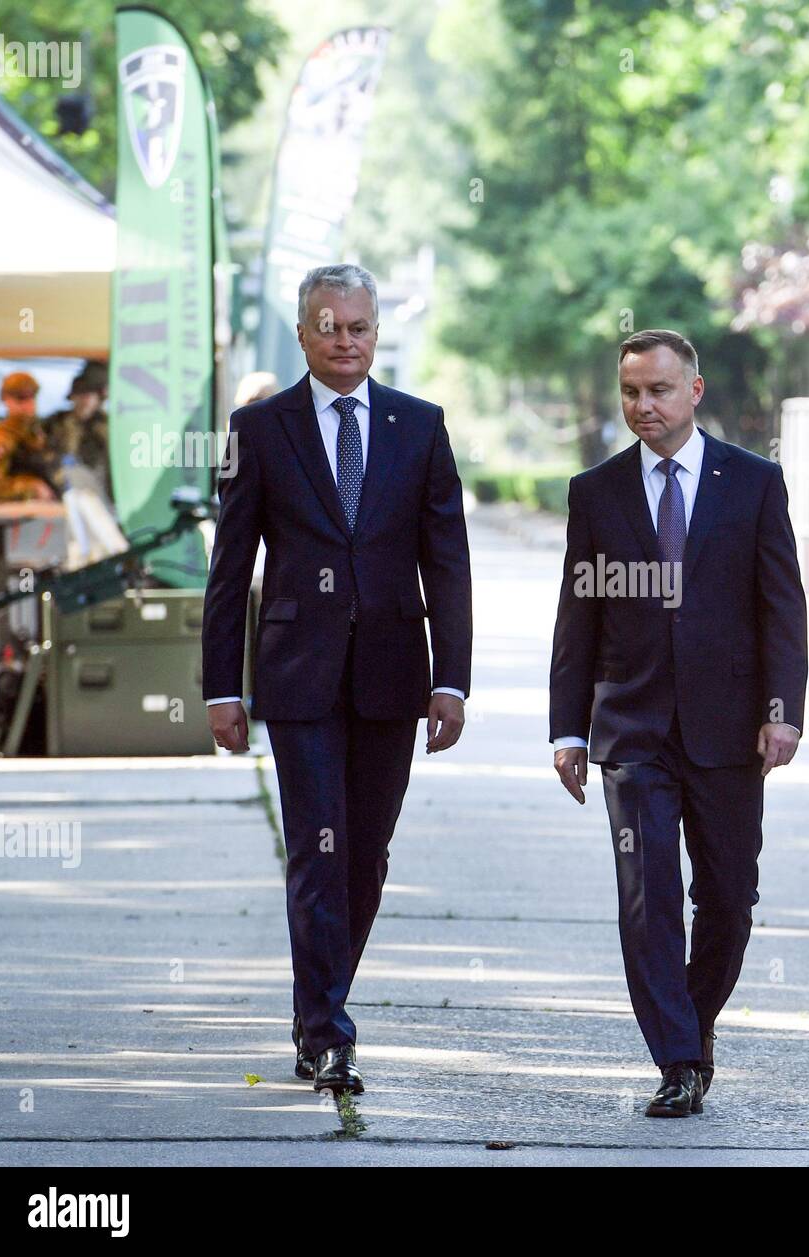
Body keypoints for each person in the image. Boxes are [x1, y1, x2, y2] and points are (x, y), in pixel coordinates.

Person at [201, 263, 472, 1095]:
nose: (345, 341)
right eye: (329, 326)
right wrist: (221, 685)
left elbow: (448, 562)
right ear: (303, 331)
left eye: (358, 327)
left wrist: (452, 679)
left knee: (365, 856)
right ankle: (329, 1034)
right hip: (298, 677)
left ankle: (319, 1004)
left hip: (395, 674)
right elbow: (230, 565)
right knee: (318, 851)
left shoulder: (419, 427)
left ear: (376, 332)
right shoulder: (258, 427)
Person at [549, 329, 808, 1117]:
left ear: (693, 391)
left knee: (729, 897)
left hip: (730, 730)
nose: (643, 406)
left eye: (658, 390)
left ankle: (693, 1023)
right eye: (630, 391)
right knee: (647, 893)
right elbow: (577, 617)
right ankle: (679, 1056)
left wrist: (783, 711)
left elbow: (781, 607)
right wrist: (567, 730)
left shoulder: (754, 483)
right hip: (630, 733)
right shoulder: (596, 492)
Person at [0, 371, 58, 501]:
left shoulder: (40, 432)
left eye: (32, 397)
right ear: (6, 400)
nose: (29, 404)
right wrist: (32, 487)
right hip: (17, 514)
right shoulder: (1, 438)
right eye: (21, 398)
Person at [44, 363, 112, 501]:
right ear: (73, 397)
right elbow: (47, 457)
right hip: (63, 491)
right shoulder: (56, 424)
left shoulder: (107, 426)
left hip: (101, 491)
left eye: (89, 395)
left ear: (98, 398)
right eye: (80, 395)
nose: (84, 400)